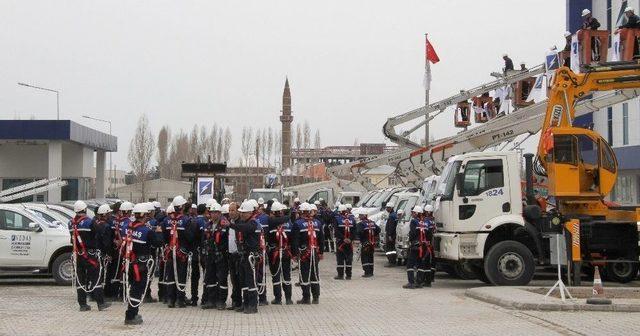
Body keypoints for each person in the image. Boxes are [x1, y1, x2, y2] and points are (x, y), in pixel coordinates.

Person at [121, 203, 163, 325]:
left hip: (129, 263)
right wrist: (159, 232)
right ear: (144, 215)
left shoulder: (127, 228)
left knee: (133, 288)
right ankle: (131, 315)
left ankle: (132, 312)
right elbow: (158, 244)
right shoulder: (146, 231)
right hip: (140, 265)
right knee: (137, 289)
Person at [69, 200, 110, 312]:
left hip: (77, 255)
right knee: (96, 278)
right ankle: (100, 303)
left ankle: (82, 304)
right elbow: (100, 231)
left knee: (80, 279)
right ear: (85, 209)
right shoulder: (89, 222)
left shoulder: (70, 223)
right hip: (89, 255)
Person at [162, 195, 198, 308]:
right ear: (182, 207)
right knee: (181, 275)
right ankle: (180, 300)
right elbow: (191, 237)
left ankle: (170, 300)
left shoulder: (167, 220)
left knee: (171, 275)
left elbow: (163, 236)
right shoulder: (187, 220)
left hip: (170, 251)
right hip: (182, 252)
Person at [229, 201, 262, 314]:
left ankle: (253, 305)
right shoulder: (246, 222)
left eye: (243, 213)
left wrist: (230, 225)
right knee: (243, 281)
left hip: (251, 256)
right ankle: (246, 303)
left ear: (249, 213)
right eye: (241, 213)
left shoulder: (253, 223)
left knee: (251, 281)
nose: (241, 215)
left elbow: (245, 228)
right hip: (244, 255)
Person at [202, 202, 230, 310]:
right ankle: (211, 300)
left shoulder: (224, 225)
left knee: (222, 278)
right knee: (210, 278)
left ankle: (221, 301)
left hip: (221, 256)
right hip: (210, 256)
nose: (213, 215)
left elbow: (227, 241)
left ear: (220, 213)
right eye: (212, 212)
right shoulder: (208, 225)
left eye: (216, 212)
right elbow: (204, 240)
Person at [293, 203, 323, 304]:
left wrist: (295, 254)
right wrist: (321, 252)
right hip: (315, 252)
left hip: (303, 253)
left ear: (301, 212)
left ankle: (306, 298)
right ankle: (316, 297)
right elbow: (321, 239)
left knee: (304, 275)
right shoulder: (318, 223)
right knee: (314, 274)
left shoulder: (298, 224)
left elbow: (295, 241)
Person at [267, 202, 295, 305]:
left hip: (275, 253)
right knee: (287, 275)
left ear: (273, 212)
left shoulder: (270, 223)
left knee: (276, 275)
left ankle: (278, 299)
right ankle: (288, 299)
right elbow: (292, 238)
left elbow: (268, 238)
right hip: (286, 252)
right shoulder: (289, 222)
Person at [403, 206, 434, 289]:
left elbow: (412, 233)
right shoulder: (425, 222)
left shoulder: (413, 221)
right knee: (420, 264)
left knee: (410, 264)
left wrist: (411, 241)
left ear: (416, 213)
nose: (412, 214)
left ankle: (411, 283)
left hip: (416, 246)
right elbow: (429, 235)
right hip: (424, 246)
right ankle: (419, 282)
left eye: (413, 212)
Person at [225, 203, 243, 311]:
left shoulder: (240, 223)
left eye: (233, 210)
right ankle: (235, 301)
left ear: (238, 211)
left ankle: (240, 302)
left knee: (240, 279)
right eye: (229, 210)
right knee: (233, 279)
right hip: (230, 254)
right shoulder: (228, 222)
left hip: (239, 255)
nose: (231, 212)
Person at [333, 204, 355, 280]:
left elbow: (336, 231)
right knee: (349, 259)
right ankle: (349, 275)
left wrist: (343, 239)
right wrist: (350, 239)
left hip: (340, 243)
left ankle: (340, 275)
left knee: (340, 259)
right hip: (349, 243)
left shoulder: (337, 219)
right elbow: (354, 231)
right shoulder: (352, 219)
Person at [194, 203, 209, 306]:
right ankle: (205, 298)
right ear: (205, 211)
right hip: (202, 251)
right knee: (206, 274)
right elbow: (203, 237)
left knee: (194, 276)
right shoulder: (203, 222)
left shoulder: (192, 220)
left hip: (193, 251)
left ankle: (194, 298)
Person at [358, 211, 380, 277]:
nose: (359, 217)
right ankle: (371, 272)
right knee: (370, 257)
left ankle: (367, 272)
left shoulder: (361, 224)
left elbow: (359, 233)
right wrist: (373, 236)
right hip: (372, 243)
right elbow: (378, 230)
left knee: (365, 257)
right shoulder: (372, 222)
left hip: (365, 243)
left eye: (360, 215)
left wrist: (362, 239)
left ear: (364, 216)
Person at [383, 202, 398, 267]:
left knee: (389, 249)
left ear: (391, 208)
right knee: (392, 248)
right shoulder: (394, 214)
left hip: (391, 235)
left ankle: (391, 262)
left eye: (388, 208)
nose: (387, 209)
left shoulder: (392, 216)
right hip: (393, 234)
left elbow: (391, 227)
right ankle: (393, 261)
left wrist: (389, 235)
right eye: (386, 207)